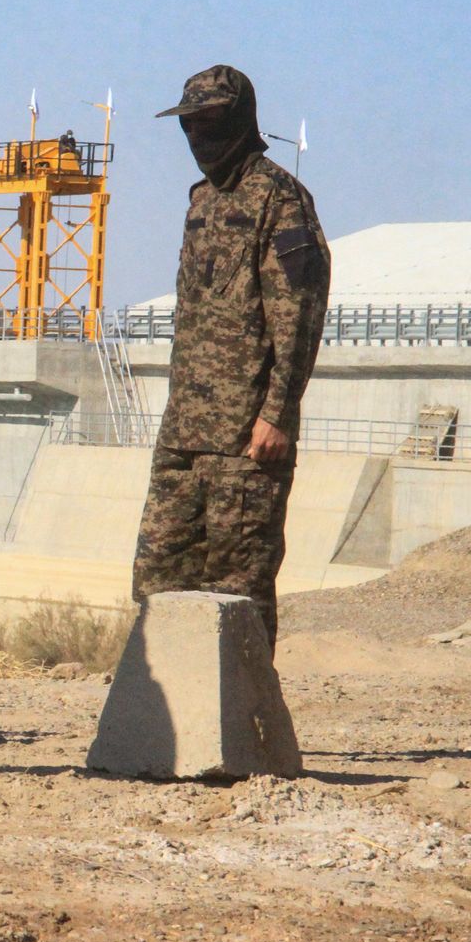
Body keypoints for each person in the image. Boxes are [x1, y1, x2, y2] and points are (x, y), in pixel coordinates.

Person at [131, 65, 331, 646]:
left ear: (242, 120)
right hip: (184, 434)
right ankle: (165, 728)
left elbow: (299, 316)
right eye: (189, 124)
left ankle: (245, 728)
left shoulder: (280, 199)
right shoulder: (201, 202)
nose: (198, 136)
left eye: (211, 122)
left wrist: (276, 413)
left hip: (246, 439)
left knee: (237, 591)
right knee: (158, 580)